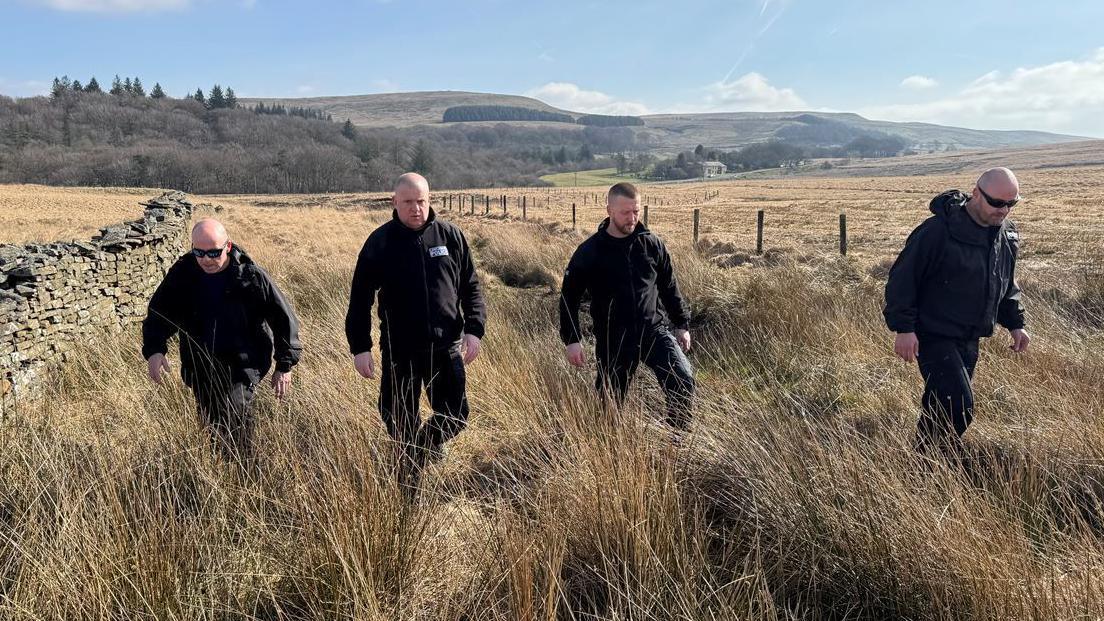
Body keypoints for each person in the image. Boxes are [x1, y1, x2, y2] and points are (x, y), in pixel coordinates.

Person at [345, 172, 486, 482]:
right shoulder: (380, 243)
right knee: (398, 419)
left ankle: (419, 452)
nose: (415, 208)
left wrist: (474, 328)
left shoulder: (451, 237)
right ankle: (409, 486)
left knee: (454, 416)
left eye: (421, 201)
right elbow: (360, 300)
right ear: (394, 202)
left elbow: (471, 287)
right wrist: (360, 348)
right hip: (400, 349)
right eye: (407, 202)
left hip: (445, 347)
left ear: (429, 200)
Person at [884, 167, 1029, 455]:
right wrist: (904, 328)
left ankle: (925, 464)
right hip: (933, 334)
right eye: (997, 202)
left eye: (1011, 204)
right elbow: (903, 279)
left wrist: (1015, 323)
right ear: (976, 193)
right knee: (959, 405)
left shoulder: (1006, 236)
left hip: (970, 337)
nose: (1004, 210)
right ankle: (931, 461)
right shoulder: (937, 231)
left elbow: (1003, 283)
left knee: (940, 405)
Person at [143, 218, 302, 462]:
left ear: (227, 247)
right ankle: (219, 470)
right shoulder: (183, 275)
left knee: (235, 416)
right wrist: (155, 350)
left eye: (214, 252)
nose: (206, 259)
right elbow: (160, 313)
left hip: (243, 364)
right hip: (200, 365)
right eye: (199, 252)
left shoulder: (250, 276)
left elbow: (283, 318)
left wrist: (284, 365)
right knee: (210, 422)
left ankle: (245, 473)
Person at [559, 182, 695, 430]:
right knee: (609, 402)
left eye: (636, 211)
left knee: (683, 380)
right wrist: (572, 339)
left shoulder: (652, 245)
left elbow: (668, 286)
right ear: (609, 209)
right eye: (625, 212)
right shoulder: (589, 252)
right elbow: (569, 297)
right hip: (614, 338)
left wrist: (681, 324)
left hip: (654, 331)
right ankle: (609, 449)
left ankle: (677, 438)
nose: (632, 218)